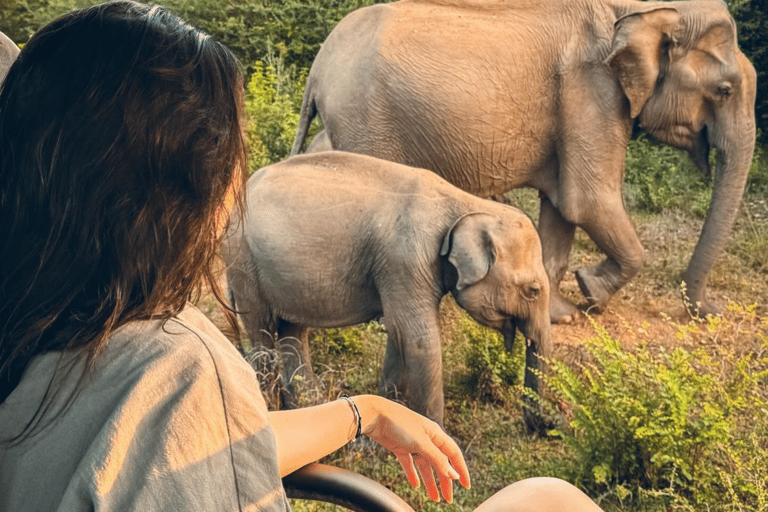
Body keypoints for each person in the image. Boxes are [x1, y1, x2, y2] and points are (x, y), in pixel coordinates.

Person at [0, 2, 605, 511]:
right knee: (552, 499)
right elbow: (183, 431)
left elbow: (196, 446)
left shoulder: (46, 317)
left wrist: (360, 412)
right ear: (191, 200)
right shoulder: (174, 365)